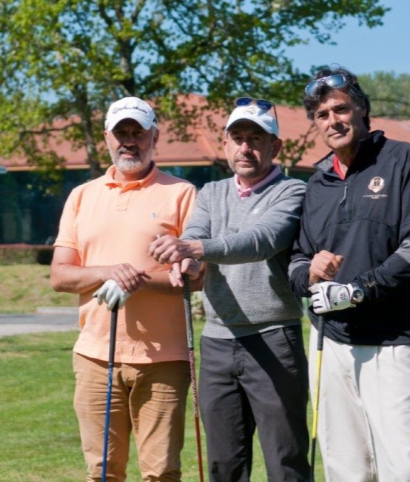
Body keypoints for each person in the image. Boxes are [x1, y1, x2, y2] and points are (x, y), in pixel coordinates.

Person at [288, 67, 410, 482]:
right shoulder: (317, 183)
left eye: (341, 109)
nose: (333, 121)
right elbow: (298, 262)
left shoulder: (401, 159)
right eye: (322, 115)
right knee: (346, 468)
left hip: (393, 341)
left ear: (362, 110)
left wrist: (357, 290)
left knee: (404, 467)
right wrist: (311, 273)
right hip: (331, 342)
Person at [148, 98, 311, 482]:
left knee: (285, 459)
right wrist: (184, 262)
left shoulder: (293, 192)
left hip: (273, 338)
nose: (246, 147)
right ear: (224, 144)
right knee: (224, 464)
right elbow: (194, 235)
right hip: (218, 342)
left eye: (256, 138)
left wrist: (196, 250)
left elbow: (261, 241)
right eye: (237, 137)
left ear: (276, 147)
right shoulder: (211, 192)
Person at [50, 96, 198, 482]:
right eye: (121, 133)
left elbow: (194, 278)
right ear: (106, 138)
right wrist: (109, 272)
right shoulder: (82, 196)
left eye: (138, 132)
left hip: (165, 359)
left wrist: (138, 278)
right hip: (96, 356)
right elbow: (60, 276)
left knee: (162, 472)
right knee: (102, 472)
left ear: (155, 137)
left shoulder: (182, 194)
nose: (129, 141)